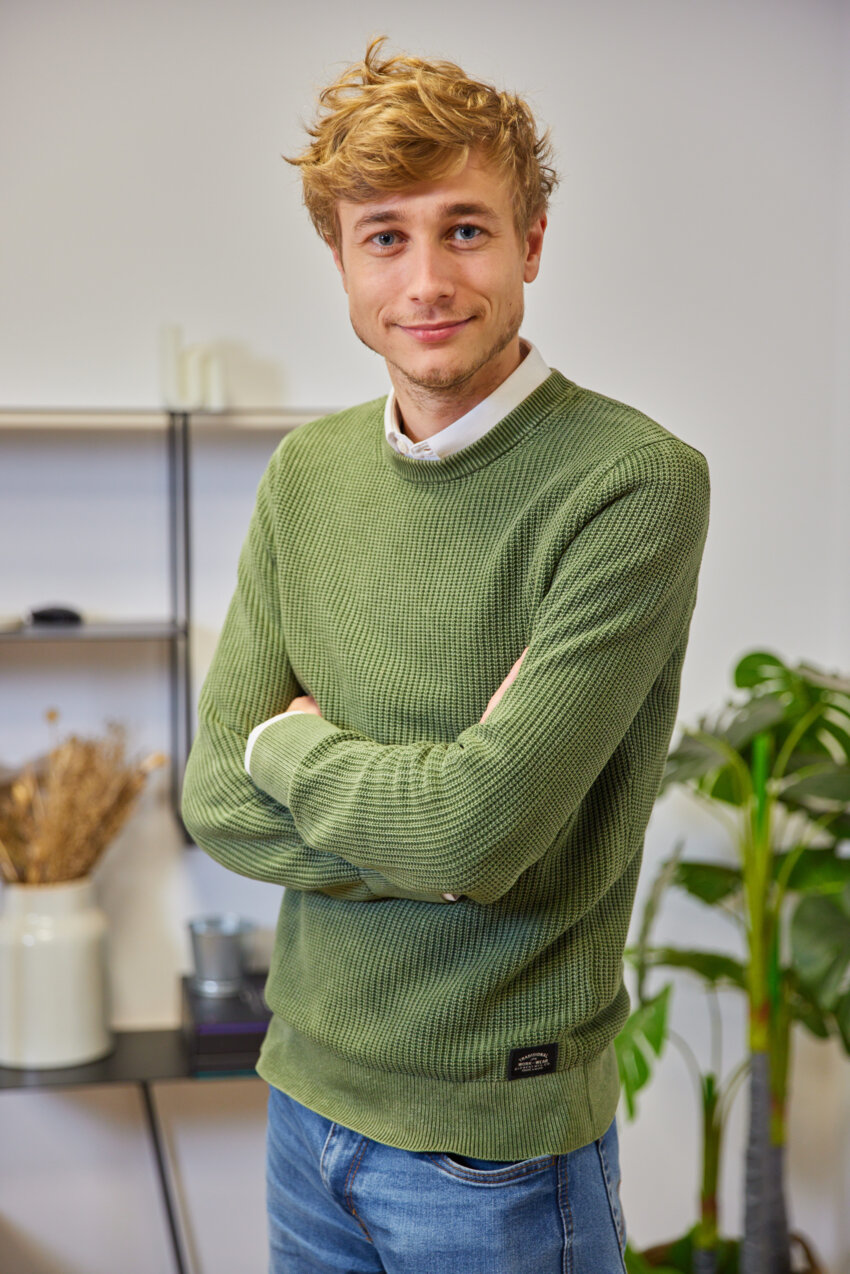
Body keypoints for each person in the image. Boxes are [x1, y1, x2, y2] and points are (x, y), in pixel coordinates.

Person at [181, 35, 711, 1274]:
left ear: (531, 241)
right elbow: (214, 797)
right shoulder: (306, 476)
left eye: (464, 230)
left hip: (495, 1148)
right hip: (303, 1101)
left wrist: (289, 742)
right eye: (385, 236)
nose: (425, 278)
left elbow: (476, 831)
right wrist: (437, 825)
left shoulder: (631, 484)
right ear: (341, 261)